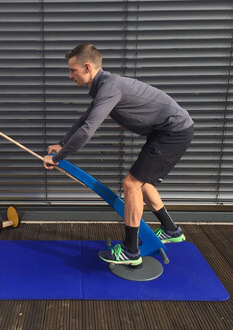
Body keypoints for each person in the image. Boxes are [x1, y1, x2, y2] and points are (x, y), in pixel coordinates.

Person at [43, 44, 194, 266]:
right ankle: (171, 230)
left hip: (173, 131)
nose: (70, 75)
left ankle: (130, 251)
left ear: (87, 67)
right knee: (142, 183)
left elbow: (87, 130)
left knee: (131, 184)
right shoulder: (104, 86)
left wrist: (57, 158)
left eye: (73, 70)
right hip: (166, 132)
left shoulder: (109, 87)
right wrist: (61, 143)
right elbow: (85, 120)